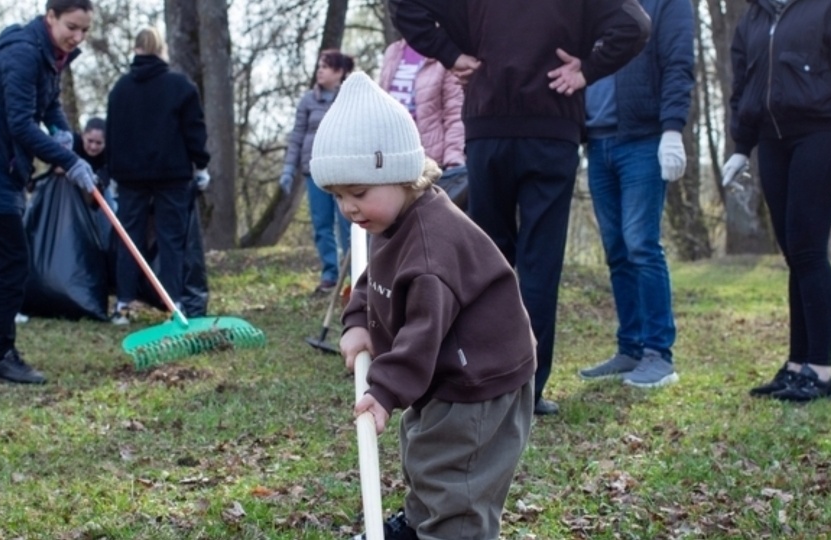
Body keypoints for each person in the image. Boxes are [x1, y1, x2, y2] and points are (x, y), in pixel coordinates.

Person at [392, 0, 651, 415]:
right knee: (540, 262)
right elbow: (635, 24)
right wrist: (587, 69)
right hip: (551, 128)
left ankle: (485, 381)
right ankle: (527, 388)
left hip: (489, 124)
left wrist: (452, 54)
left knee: (485, 262)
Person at [315, 72, 535, 540]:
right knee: (425, 449)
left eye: (358, 193)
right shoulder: (391, 221)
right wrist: (357, 320)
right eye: (338, 197)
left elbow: (422, 329)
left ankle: (451, 531)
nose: (349, 209)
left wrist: (386, 390)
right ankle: (419, 525)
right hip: (446, 368)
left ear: (400, 175)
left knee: (457, 472)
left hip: (479, 380)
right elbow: (375, 278)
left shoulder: (431, 248)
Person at [722, 0, 831, 402]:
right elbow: (745, 83)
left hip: (821, 133)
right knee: (795, 252)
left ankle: (821, 372)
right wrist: (742, 146)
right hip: (773, 140)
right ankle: (797, 366)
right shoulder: (754, 17)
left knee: (808, 250)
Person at [0, 0, 99, 384]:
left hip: (0, 169)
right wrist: (71, 162)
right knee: (12, 264)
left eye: (84, 30)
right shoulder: (23, 55)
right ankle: (0, 354)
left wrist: (63, 130)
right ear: (49, 17)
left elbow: (47, 104)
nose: (77, 37)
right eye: (71, 27)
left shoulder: (52, 54)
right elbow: (20, 124)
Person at [577, 0, 693, 388]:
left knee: (642, 244)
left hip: (642, 139)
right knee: (617, 250)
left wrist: (672, 129)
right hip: (596, 142)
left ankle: (659, 354)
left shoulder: (667, 4)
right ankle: (630, 348)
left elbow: (679, 63)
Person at [105, 26, 210, 325]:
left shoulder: (120, 88)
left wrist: (112, 171)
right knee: (171, 239)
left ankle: (123, 304)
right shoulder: (180, 86)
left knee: (129, 239)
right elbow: (194, 131)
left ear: (135, 49)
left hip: (129, 176)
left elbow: (113, 133)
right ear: (161, 50)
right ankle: (173, 303)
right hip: (172, 173)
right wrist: (200, 165)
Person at [279, 49, 355, 295]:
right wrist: (288, 169)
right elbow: (297, 136)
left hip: (343, 171)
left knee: (349, 223)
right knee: (322, 224)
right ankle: (330, 274)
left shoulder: (350, 99)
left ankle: (355, 275)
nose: (320, 70)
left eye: (326, 66)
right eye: (319, 65)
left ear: (340, 72)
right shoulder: (308, 100)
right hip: (314, 171)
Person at [378, 38, 465, 171]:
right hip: (390, 159)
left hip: (428, 164)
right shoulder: (393, 50)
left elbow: (455, 114)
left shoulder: (445, 53)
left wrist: (453, 159)